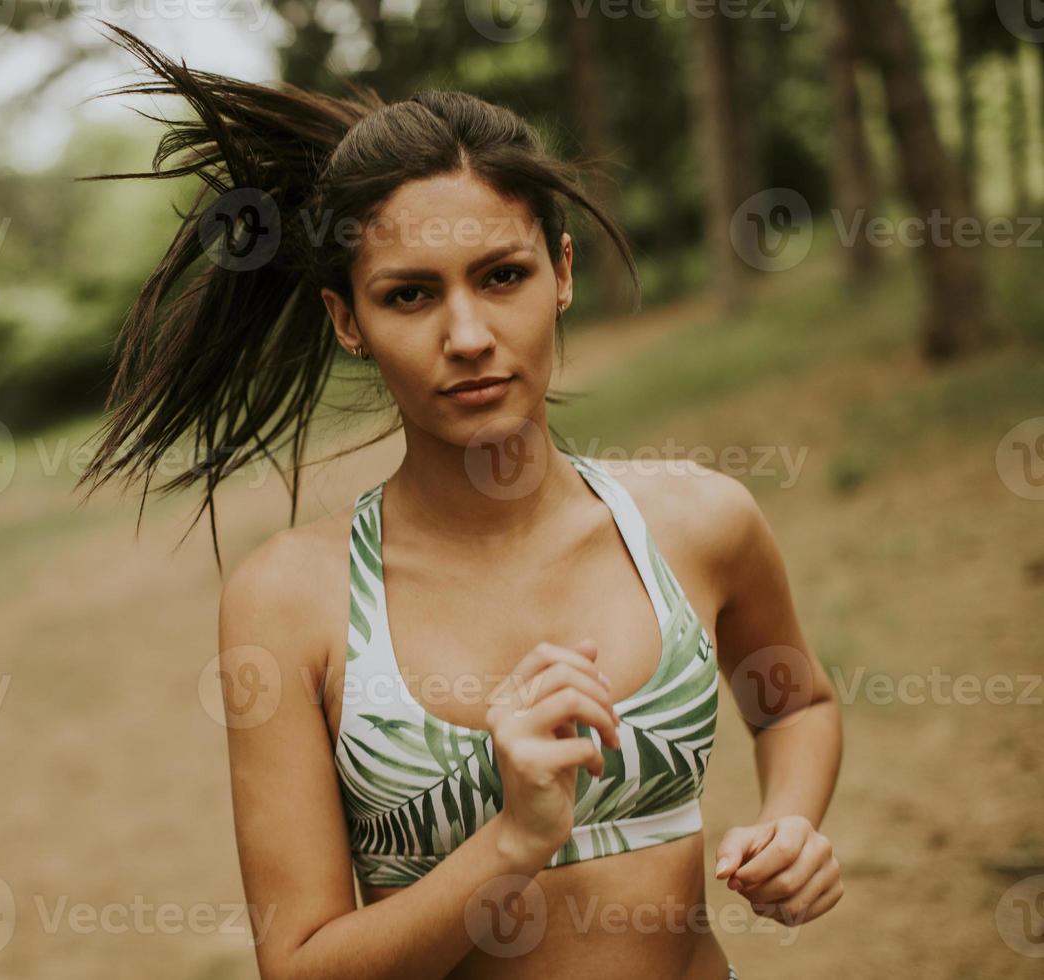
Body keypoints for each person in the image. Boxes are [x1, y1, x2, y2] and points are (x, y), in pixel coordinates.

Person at [78, 23, 843, 980]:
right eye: (410, 296)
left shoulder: (699, 523)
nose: (470, 334)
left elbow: (795, 702)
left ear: (561, 275)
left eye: (502, 275)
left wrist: (790, 824)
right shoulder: (292, 602)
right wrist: (511, 842)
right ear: (347, 320)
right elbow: (301, 967)